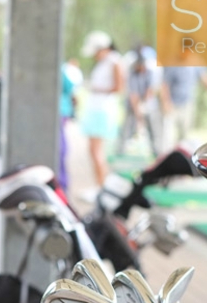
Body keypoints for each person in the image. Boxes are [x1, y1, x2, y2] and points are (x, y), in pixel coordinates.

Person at [80, 31, 124, 196]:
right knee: (94, 151)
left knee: (97, 151)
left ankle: (101, 189)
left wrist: (97, 89)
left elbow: (119, 87)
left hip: (102, 110)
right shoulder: (104, 62)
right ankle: (99, 187)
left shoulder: (114, 61)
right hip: (96, 109)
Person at [159, 52, 207, 149]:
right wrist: (165, 102)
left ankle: (181, 156)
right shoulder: (172, 63)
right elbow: (165, 84)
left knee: (184, 136)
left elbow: (205, 79)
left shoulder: (196, 63)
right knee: (168, 136)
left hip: (187, 104)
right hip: (172, 104)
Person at [120, 50, 160, 157]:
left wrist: (143, 105)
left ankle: (156, 151)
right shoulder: (132, 74)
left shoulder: (150, 73)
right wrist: (138, 111)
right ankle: (120, 150)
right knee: (127, 127)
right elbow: (133, 95)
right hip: (132, 105)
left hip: (148, 104)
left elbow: (150, 90)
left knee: (153, 129)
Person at [58, 58, 83, 193]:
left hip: (60, 111)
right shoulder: (60, 70)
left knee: (60, 147)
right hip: (61, 111)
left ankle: (62, 184)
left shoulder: (60, 70)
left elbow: (69, 88)